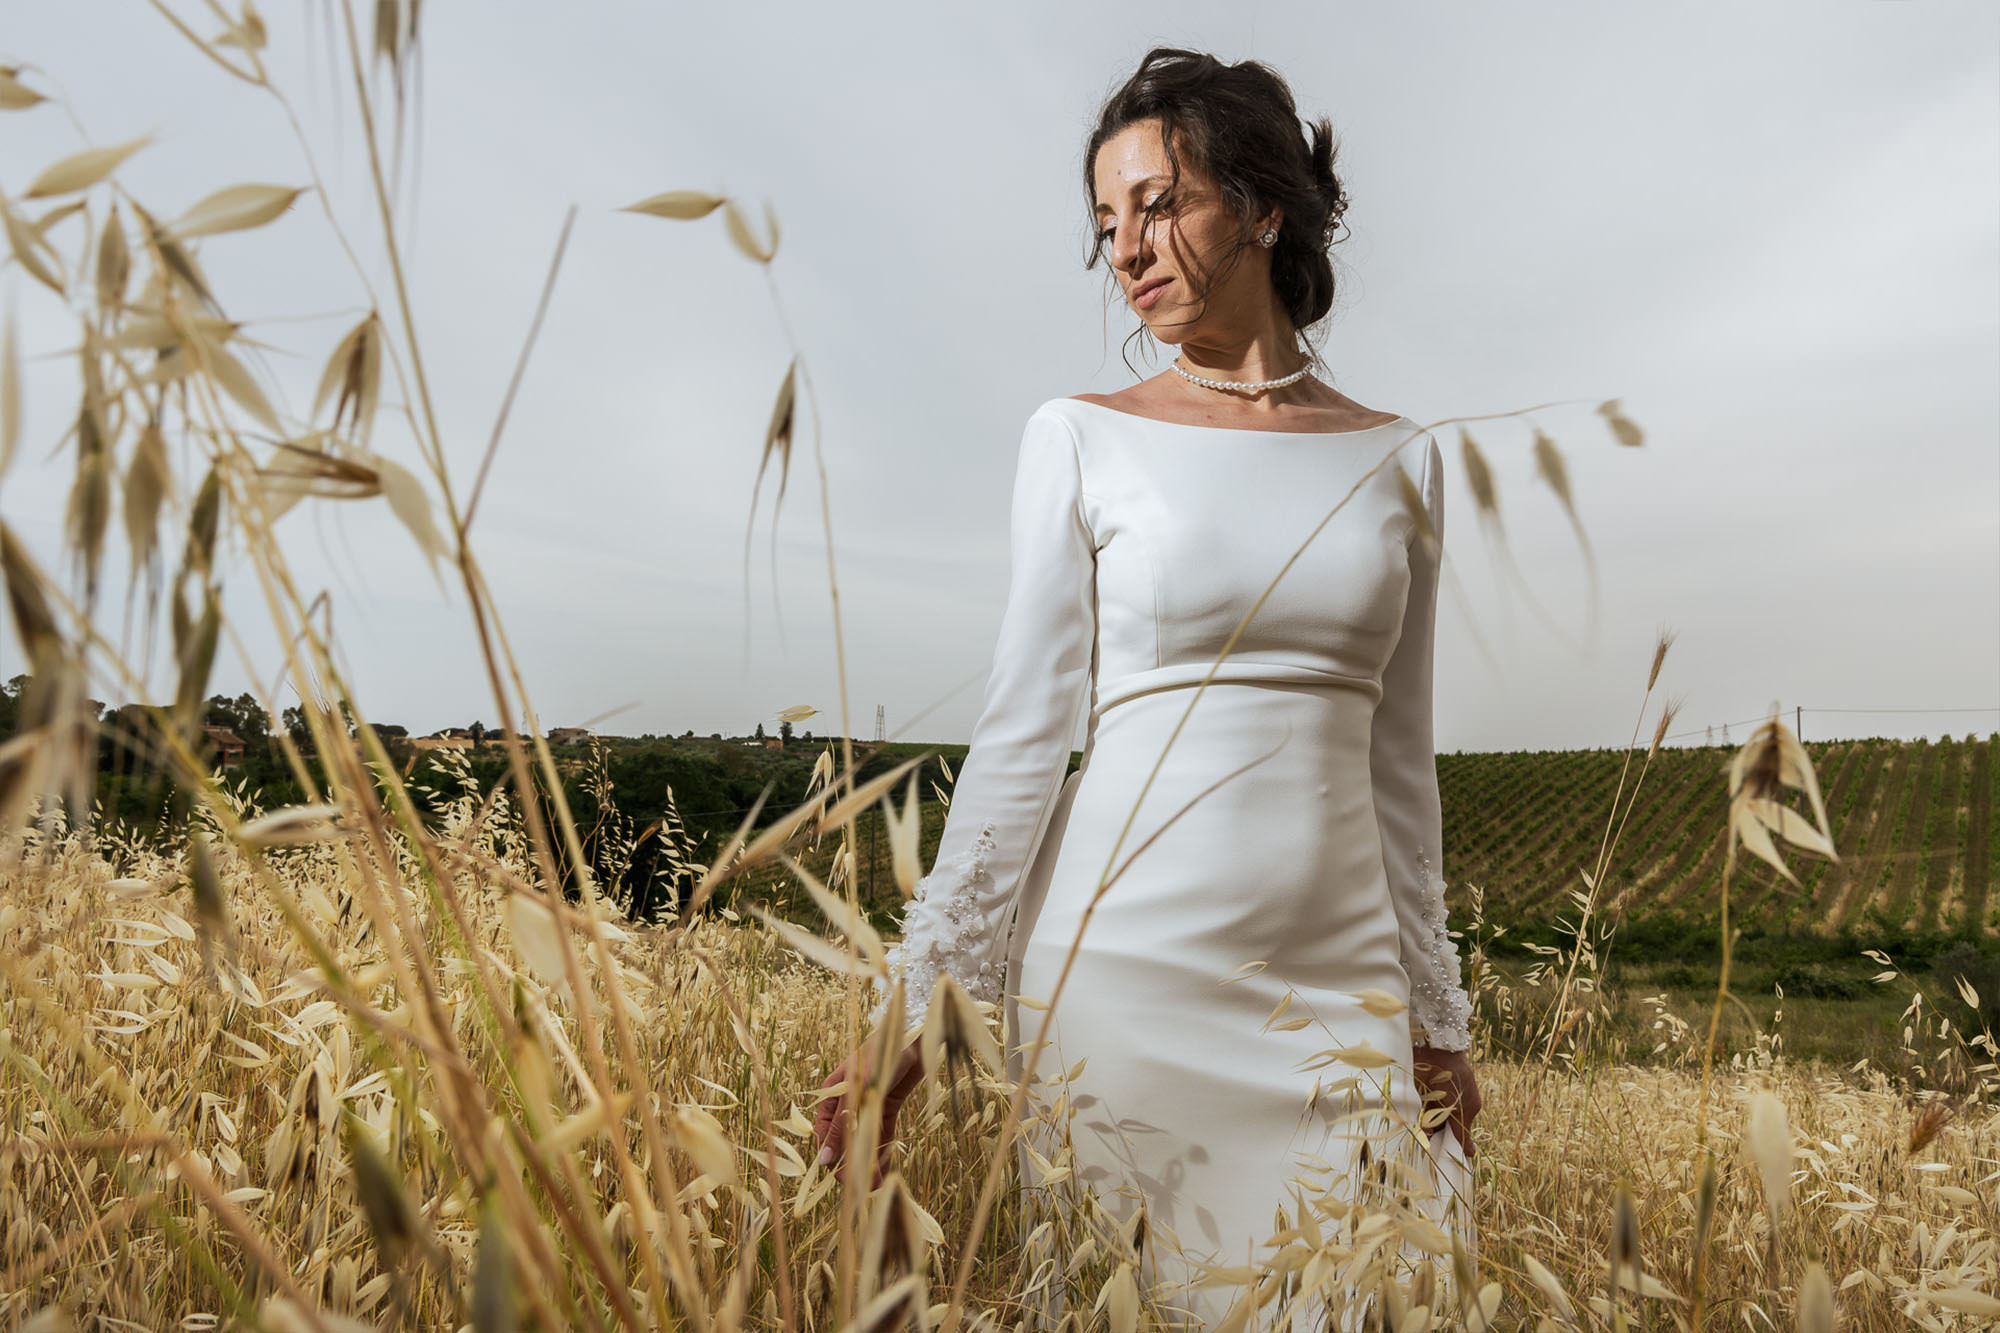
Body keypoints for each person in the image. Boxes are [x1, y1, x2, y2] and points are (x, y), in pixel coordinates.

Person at [812, 47, 1481, 1330]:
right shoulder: (1077, 436)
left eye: (1161, 204)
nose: (1127, 246)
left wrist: (1434, 1014)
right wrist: (914, 1015)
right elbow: (1021, 739)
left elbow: (1402, 766)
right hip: (1121, 991)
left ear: (1263, 207)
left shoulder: (1405, 463)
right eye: (1106, 219)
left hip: (1338, 1004)